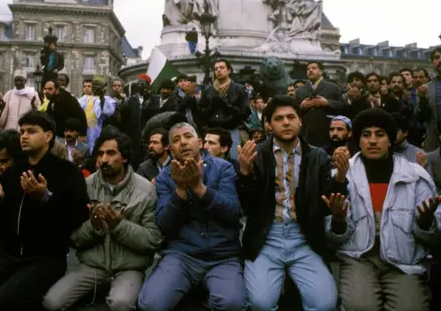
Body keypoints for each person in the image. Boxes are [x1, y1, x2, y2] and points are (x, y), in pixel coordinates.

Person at [0, 111, 89, 310]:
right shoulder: (13, 172)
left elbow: (77, 216)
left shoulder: (66, 172)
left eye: (31, 131)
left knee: (6, 301)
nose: (24, 136)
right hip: (8, 253)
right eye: (22, 131)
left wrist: (45, 198)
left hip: (45, 258)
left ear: (48, 136)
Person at [237, 96, 347, 311]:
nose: (286, 123)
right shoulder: (255, 155)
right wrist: (245, 175)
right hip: (267, 238)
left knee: (324, 304)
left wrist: (340, 180)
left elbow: (327, 204)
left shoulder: (318, 157)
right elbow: (246, 207)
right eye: (278, 118)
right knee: (260, 303)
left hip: (304, 237)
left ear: (300, 121)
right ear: (268, 124)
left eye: (291, 117)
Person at [43, 127, 162, 311]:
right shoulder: (86, 186)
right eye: (100, 154)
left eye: (111, 153)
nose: (104, 159)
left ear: (124, 157)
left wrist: (119, 226)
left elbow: (152, 240)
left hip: (128, 266)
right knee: (51, 302)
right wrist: (94, 227)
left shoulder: (145, 190)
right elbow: (74, 238)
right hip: (93, 265)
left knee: (121, 304)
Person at [335, 108, 441, 311]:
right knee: (360, 306)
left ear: (391, 140)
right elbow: (334, 235)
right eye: (366, 135)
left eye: (380, 134)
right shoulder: (342, 174)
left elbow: (433, 235)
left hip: (402, 260)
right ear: (358, 140)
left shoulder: (415, 175)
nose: (373, 141)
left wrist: (425, 222)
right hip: (359, 258)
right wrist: (338, 221)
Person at [138, 122, 244, 311]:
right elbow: (164, 224)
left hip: (222, 255)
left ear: (199, 142)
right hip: (182, 255)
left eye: (188, 137)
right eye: (176, 140)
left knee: (232, 304)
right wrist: (180, 190)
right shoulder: (164, 178)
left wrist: (199, 188)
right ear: (170, 150)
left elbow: (233, 213)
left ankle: (202, 290)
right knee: (150, 305)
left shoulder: (222, 168)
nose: (183, 143)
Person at [294, 61, 346, 147]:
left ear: (321, 72)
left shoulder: (333, 87)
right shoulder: (300, 91)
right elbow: (293, 111)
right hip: (306, 136)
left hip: (327, 135)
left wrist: (328, 103)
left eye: (314, 68)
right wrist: (301, 106)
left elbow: (344, 107)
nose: (310, 70)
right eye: (308, 69)